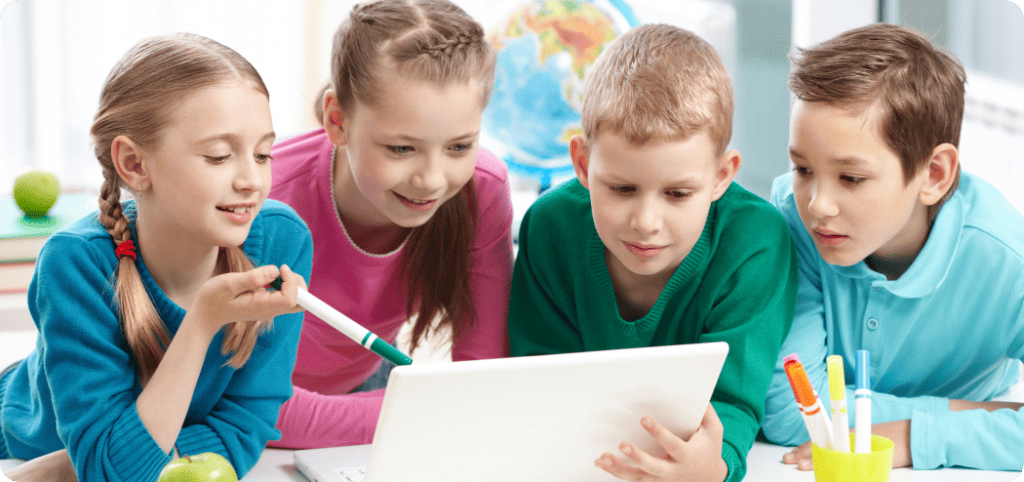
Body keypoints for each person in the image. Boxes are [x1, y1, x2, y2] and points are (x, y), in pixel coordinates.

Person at [0, 33, 312, 482]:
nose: (252, 181)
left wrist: (80, 467)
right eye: (220, 156)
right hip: (21, 445)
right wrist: (203, 319)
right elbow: (116, 475)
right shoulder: (76, 265)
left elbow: (246, 429)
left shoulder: (284, 241)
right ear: (134, 164)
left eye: (263, 154)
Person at [507, 24, 798, 482]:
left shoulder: (756, 240)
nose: (645, 221)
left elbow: (735, 398)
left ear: (723, 175)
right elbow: (540, 377)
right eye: (621, 188)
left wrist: (715, 466)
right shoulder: (550, 227)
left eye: (678, 194)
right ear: (583, 164)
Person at [761, 23, 1024, 471]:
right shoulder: (789, 217)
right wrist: (982, 419)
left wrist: (913, 435)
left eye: (851, 178)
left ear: (934, 175)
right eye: (802, 168)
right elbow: (792, 413)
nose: (818, 205)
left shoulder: (1007, 260)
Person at [267, 0, 512, 448]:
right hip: (250, 410)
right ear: (336, 120)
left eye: (459, 147)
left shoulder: (483, 191)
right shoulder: (264, 200)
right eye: (401, 149)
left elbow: (482, 374)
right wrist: (424, 409)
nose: (431, 180)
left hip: (368, 393)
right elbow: (248, 405)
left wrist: (430, 406)